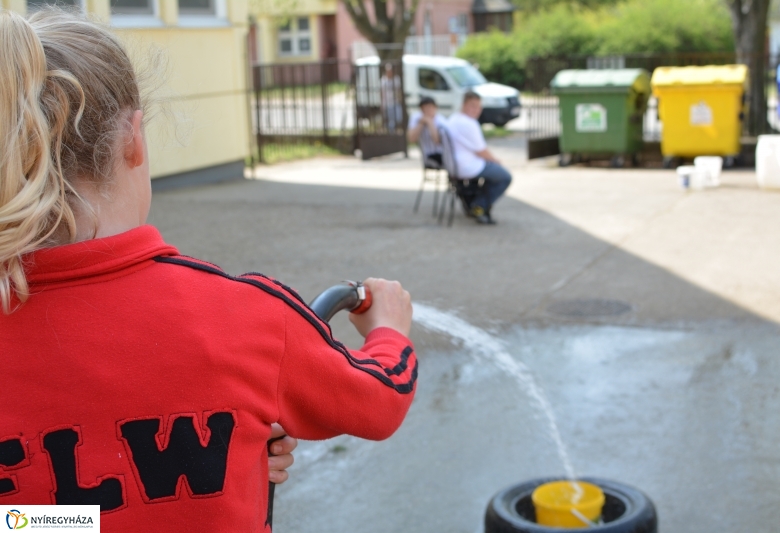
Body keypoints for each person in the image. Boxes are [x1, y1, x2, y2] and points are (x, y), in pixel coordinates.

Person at [0, 9, 417, 532]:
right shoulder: (240, 315)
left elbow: (31, 518)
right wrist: (388, 333)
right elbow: (379, 402)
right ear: (133, 139)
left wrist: (165, 482)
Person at [446, 91, 513, 225]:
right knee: (504, 176)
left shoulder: (453, 118)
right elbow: (481, 151)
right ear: (464, 105)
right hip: (468, 166)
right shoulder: (469, 123)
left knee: (493, 171)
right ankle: (479, 206)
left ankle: (473, 203)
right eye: (473, 105)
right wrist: (496, 161)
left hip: (453, 166)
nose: (476, 110)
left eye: (479, 106)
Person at [407, 96, 447, 167]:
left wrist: (430, 123)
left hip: (443, 153)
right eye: (424, 109)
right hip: (429, 156)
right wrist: (421, 123)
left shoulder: (441, 120)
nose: (427, 111)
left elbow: (438, 141)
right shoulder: (416, 117)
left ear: (435, 108)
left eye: (429, 108)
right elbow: (411, 139)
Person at [380, 62, 403, 133]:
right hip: (387, 102)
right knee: (390, 118)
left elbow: (399, 91)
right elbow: (381, 92)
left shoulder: (396, 79)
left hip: (395, 102)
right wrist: (382, 102)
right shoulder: (383, 80)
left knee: (398, 117)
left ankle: (394, 130)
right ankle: (391, 131)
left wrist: (399, 99)